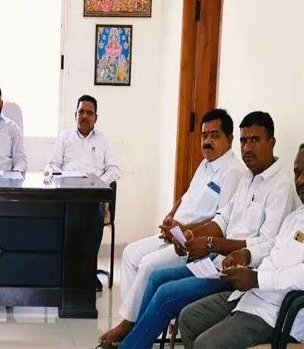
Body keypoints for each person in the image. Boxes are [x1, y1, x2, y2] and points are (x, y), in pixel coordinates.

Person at [105, 111, 301, 349]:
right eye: (244, 141)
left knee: (165, 295)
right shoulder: (248, 177)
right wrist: (191, 236)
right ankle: (134, 338)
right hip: (217, 263)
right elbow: (224, 218)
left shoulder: (280, 187)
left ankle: (130, 344)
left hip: (239, 275)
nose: (247, 148)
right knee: (156, 279)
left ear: (271, 142)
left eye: (255, 140)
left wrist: (211, 244)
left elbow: (266, 244)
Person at [97, 109, 244, 347]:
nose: (207, 141)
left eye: (214, 135)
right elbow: (186, 197)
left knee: (148, 265)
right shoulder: (206, 164)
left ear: (229, 139)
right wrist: (170, 217)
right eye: (204, 135)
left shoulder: (233, 172)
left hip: (192, 242)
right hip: (175, 232)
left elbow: (221, 224)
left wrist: (184, 229)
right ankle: (135, 321)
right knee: (130, 254)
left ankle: (130, 327)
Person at [179, 144, 304, 349]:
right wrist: (246, 255)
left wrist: (257, 278)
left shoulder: (280, 188)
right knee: (188, 319)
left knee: (206, 345)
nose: (301, 180)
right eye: (297, 173)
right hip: (251, 296)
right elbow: (272, 246)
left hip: (277, 315)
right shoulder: (295, 217)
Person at [46, 95, 120, 290]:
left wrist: (97, 185)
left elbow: (114, 169)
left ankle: (87, 272)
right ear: (75, 115)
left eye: (89, 113)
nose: (85, 116)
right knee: (64, 218)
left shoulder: (103, 139)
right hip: (68, 195)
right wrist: (63, 179)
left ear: (96, 117)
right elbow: (51, 165)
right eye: (81, 112)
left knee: (92, 216)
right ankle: (67, 272)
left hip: (93, 197)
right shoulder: (65, 137)